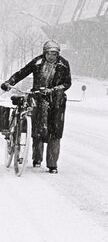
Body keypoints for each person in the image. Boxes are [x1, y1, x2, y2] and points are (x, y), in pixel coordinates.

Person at [1, 40, 71, 173]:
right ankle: (37, 159)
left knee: (54, 133)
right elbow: (22, 72)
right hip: (38, 100)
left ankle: (52, 164)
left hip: (57, 103)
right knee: (37, 130)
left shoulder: (64, 65)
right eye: (49, 53)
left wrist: (54, 90)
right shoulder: (37, 62)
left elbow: (67, 83)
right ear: (45, 53)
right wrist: (10, 82)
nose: (52, 56)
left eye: (55, 54)